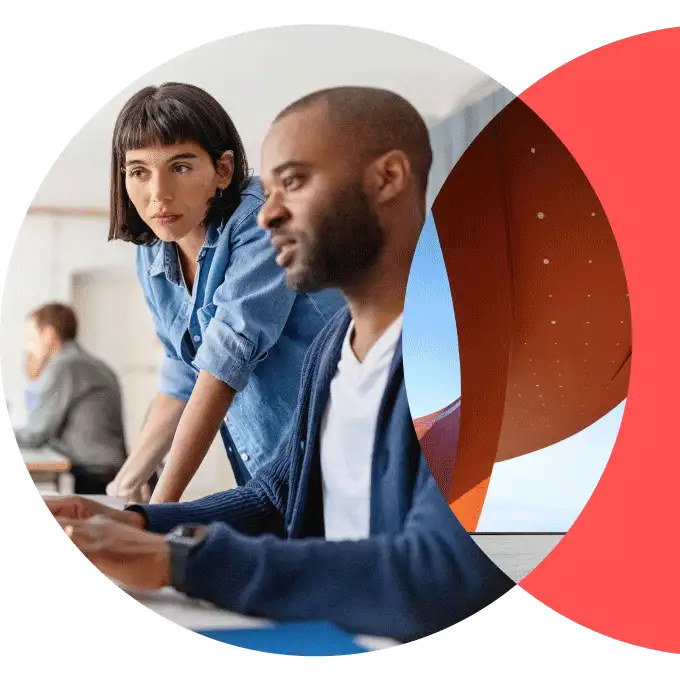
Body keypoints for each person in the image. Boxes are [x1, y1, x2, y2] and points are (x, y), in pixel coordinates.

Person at [48, 87, 514, 643]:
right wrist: (135, 523)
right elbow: (274, 498)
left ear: (387, 179)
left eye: (291, 183)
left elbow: (437, 578)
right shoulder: (330, 349)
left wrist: (182, 560)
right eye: (268, 190)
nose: (266, 215)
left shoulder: (485, 352)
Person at [105, 83, 344, 503]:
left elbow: (224, 359)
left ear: (223, 171)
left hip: (343, 451)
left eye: (180, 167)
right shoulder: (152, 253)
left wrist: (160, 508)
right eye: (139, 171)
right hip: (272, 473)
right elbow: (183, 373)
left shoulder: (263, 220)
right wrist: (128, 481)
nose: (158, 193)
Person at [14, 303, 126, 494]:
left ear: (49, 334)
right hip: (109, 468)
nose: (29, 346)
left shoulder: (65, 366)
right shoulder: (92, 363)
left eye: (31, 337)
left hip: (94, 472)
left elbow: (37, 432)